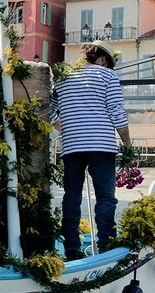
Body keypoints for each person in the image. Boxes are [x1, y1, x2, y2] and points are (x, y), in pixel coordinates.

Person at [50, 41, 132, 260]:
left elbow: (48, 110)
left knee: (72, 197)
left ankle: (72, 249)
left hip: (72, 146)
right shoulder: (108, 76)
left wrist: (66, 125)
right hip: (101, 144)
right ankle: (105, 245)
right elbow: (116, 111)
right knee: (105, 198)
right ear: (104, 59)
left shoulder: (64, 77)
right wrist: (128, 144)